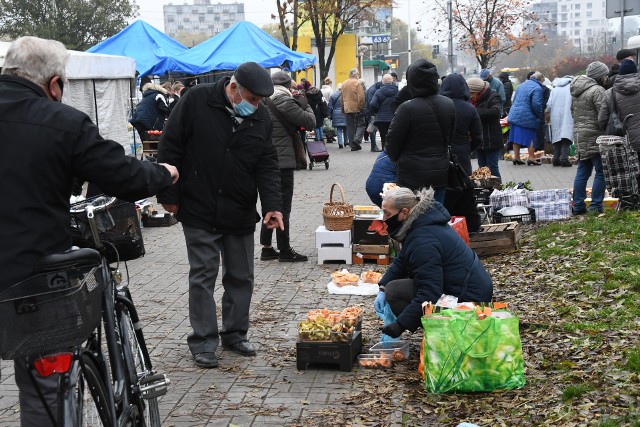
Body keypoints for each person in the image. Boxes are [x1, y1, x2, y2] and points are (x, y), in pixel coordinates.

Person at [0, 36, 179, 426]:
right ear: (54, 84)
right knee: (44, 385)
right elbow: (123, 176)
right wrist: (163, 172)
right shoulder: (61, 121)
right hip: (32, 278)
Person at [157, 61, 284, 369]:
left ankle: (235, 333)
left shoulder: (261, 118)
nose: (255, 106)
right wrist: (168, 194)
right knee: (203, 276)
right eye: (251, 99)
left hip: (239, 209)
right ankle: (203, 341)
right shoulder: (197, 100)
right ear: (233, 88)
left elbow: (267, 163)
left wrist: (272, 205)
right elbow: (170, 145)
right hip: (198, 206)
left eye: (259, 101)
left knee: (241, 276)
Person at [373, 187, 493, 338]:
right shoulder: (422, 221)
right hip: (469, 287)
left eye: (387, 214)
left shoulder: (423, 240)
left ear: (404, 212)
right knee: (390, 288)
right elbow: (403, 260)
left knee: (394, 291)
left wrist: (401, 324)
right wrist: (382, 287)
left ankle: (444, 332)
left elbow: (430, 291)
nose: (383, 218)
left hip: (469, 298)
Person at [260, 71, 316, 262]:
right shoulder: (286, 101)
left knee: (270, 203)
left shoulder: (262, 101)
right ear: (287, 86)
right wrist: (306, 103)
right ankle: (285, 250)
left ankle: (266, 248)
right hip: (282, 161)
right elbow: (310, 122)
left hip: (264, 160)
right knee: (284, 205)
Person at [386, 59, 454, 204]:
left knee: (412, 219)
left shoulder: (406, 108)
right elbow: (450, 138)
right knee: (436, 217)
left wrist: (399, 160)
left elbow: (392, 144)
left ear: (412, 81)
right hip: (440, 172)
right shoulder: (448, 104)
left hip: (411, 176)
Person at [570, 61, 609, 214]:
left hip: (580, 135)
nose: (607, 78)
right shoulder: (597, 90)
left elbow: (573, 113)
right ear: (600, 76)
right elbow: (603, 114)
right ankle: (595, 206)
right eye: (605, 75)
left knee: (583, 171)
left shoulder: (575, 91)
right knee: (601, 171)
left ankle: (578, 206)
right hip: (595, 135)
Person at [440, 73, 483, 176]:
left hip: (440, 153)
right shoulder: (470, 108)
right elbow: (477, 137)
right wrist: (468, 147)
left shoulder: (438, 105)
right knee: (462, 184)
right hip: (462, 152)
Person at [600, 59, 640, 155]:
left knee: (628, 169)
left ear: (620, 73)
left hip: (622, 141)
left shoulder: (610, 93)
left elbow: (602, 119)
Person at [507, 71, 546, 166]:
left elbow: (515, 99)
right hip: (527, 116)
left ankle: (516, 157)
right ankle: (531, 158)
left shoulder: (521, 85)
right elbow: (536, 104)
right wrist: (539, 114)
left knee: (515, 137)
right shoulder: (537, 88)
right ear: (540, 80)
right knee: (531, 137)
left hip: (515, 114)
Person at [468, 77, 503, 179]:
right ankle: (486, 192)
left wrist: (474, 112)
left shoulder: (493, 96)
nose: (470, 97)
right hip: (480, 141)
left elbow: (496, 112)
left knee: (492, 169)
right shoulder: (473, 100)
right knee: (482, 169)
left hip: (492, 139)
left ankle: (498, 191)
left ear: (478, 92)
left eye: (472, 93)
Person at [547, 76, 574, 167]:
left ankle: (555, 159)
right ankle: (564, 159)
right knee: (565, 137)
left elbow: (549, 105)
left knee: (557, 138)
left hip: (555, 116)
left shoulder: (555, 89)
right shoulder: (572, 87)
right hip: (568, 115)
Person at [369, 73, 399, 151]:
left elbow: (372, 104)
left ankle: (384, 152)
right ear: (392, 81)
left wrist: (377, 110)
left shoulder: (379, 92)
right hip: (394, 118)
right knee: (393, 137)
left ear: (383, 81)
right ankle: (392, 154)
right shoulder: (397, 91)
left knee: (383, 137)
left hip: (381, 119)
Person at [341, 68, 366, 151]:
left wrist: (343, 109)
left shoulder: (344, 83)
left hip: (347, 108)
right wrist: (361, 107)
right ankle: (357, 140)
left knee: (350, 127)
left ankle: (353, 146)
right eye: (358, 74)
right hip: (356, 107)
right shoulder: (357, 83)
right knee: (361, 124)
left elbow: (342, 98)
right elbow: (361, 97)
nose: (358, 76)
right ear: (355, 75)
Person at [327, 83, 348, 148]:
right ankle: (346, 141)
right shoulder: (346, 95)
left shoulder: (333, 95)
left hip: (336, 113)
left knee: (339, 129)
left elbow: (330, 107)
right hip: (345, 112)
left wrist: (329, 115)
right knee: (346, 128)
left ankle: (340, 143)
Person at [365, 78, 382, 151]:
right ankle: (373, 146)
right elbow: (371, 102)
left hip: (370, 111)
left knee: (373, 129)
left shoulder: (372, 88)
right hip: (371, 112)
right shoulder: (374, 90)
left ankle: (373, 146)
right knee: (372, 129)